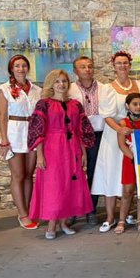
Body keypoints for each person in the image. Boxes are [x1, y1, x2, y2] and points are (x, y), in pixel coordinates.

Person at [27, 70, 95, 240]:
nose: (61, 84)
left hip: (72, 149)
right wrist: (39, 155)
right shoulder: (43, 104)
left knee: (69, 185)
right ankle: (51, 225)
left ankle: (64, 223)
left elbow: (81, 130)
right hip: (52, 149)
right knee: (54, 186)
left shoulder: (76, 105)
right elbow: (38, 131)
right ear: (51, 84)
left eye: (64, 81)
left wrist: (83, 153)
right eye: (57, 81)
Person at [91, 51, 140, 232]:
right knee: (112, 174)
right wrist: (119, 129)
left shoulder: (138, 85)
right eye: (119, 63)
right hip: (115, 134)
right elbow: (106, 115)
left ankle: (129, 213)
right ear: (114, 66)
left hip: (135, 134)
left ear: (130, 65)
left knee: (132, 177)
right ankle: (110, 217)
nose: (122, 66)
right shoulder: (108, 88)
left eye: (125, 63)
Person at [0, 54, 42, 230]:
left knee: (29, 174)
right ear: (11, 69)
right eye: (17, 66)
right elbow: (2, 116)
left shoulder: (36, 90)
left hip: (32, 132)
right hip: (14, 132)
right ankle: (22, 214)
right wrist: (4, 140)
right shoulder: (4, 89)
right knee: (18, 175)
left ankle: (29, 209)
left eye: (24, 65)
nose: (21, 69)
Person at [67, 56, 105, 225]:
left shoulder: (104, 88)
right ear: (75, 71)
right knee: (75, 172)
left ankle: (91, 209)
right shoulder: (69, 90)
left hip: (98, 134)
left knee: (94, 172)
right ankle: (73, 209)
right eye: (82, 67)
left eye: (90, 66)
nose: (87, 69)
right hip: (76, 136)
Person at [116, 93, 140, 233]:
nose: (138, 107)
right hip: (130, 160)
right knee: (128, 191)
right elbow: (121, 145)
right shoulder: (123, 123)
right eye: (134, 104)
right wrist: (133, 157)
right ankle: (122, 220)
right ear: (128, 106)